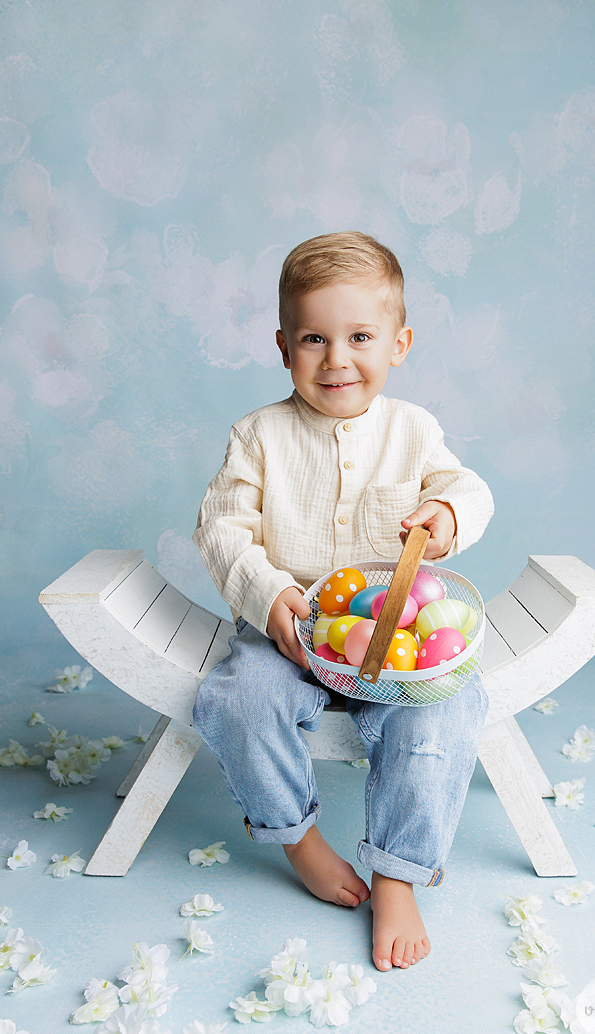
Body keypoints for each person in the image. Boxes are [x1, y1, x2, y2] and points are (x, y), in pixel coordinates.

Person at [193, 231, 494, 973]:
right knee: (237, 700)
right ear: (283, 344)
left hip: (391, 634)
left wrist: (445, 517)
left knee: (449, 708)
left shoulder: (412, 430)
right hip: (290, 631)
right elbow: (222, 529)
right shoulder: (258, 435)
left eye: (360, 337)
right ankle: (299, 839)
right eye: (314, 338)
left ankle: (398, 871)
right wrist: (271, 597)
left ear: (399, 343)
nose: (336, 359)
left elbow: (467, 489)